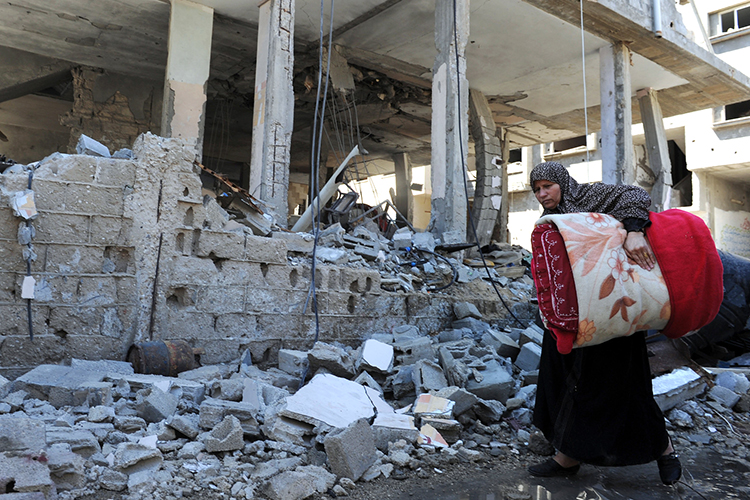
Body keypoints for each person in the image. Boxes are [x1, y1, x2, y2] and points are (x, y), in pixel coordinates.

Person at [527, 161, 682, 486]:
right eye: (537, 189)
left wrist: (634, 231)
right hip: (573, 319)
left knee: (624, 386)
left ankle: (664, 449)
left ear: (562, 183)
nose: (542, 194)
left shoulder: (591, 196)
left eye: (547, 187)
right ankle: (567, 456)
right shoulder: (547, 220)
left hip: (614, 315)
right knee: (564, 382)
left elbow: (636, 195)